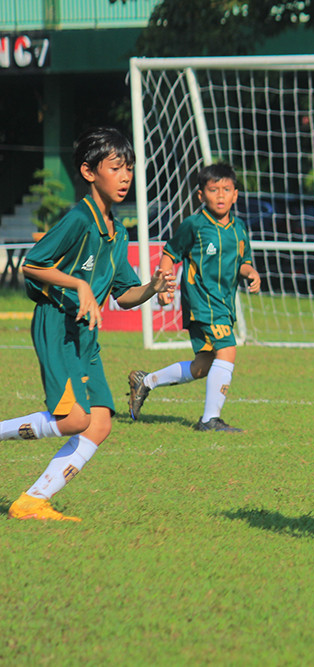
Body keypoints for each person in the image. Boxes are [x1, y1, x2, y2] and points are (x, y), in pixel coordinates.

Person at [0, 126, 175, 521]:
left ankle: (33, 501)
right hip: (57, 324)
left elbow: (124, 295)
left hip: (86, 337)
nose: (126, 176)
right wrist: (78, 283)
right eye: (116, 167)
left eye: (129, 168)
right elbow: (32, 264)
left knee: (98, 424)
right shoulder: (79, 219)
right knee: (74, 419)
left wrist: (153, 287)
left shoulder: (117, 232)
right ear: (89, 171)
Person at [127, 163, 261, 432]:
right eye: (213, 190)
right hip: (202, 300)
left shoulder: (239, 228)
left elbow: (242, 262)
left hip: (224, 302)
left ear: (236, 194)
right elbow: (170, 254)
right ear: (201, 196)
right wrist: (162, 287)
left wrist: (251, 272)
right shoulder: (194, 225)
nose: (220, 195)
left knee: (203, 366)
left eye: (226, 189)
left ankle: (147, 380)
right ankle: (209, 419)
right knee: (228, 350)